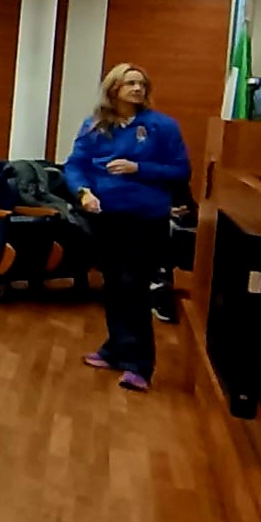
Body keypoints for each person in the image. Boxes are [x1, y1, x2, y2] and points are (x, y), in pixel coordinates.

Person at [64, 62, 190, 393]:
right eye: (130, 83)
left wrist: (139, 168)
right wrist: (83, 192)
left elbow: (180, 171)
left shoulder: (162, 126)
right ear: (113, 89)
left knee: (133, 287)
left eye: (141, 84)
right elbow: (75, 165)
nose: (137, 89)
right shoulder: (94, 126)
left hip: (145, 219)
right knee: (113, 286)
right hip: (106, 217)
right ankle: (116, 349)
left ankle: (139, 365)